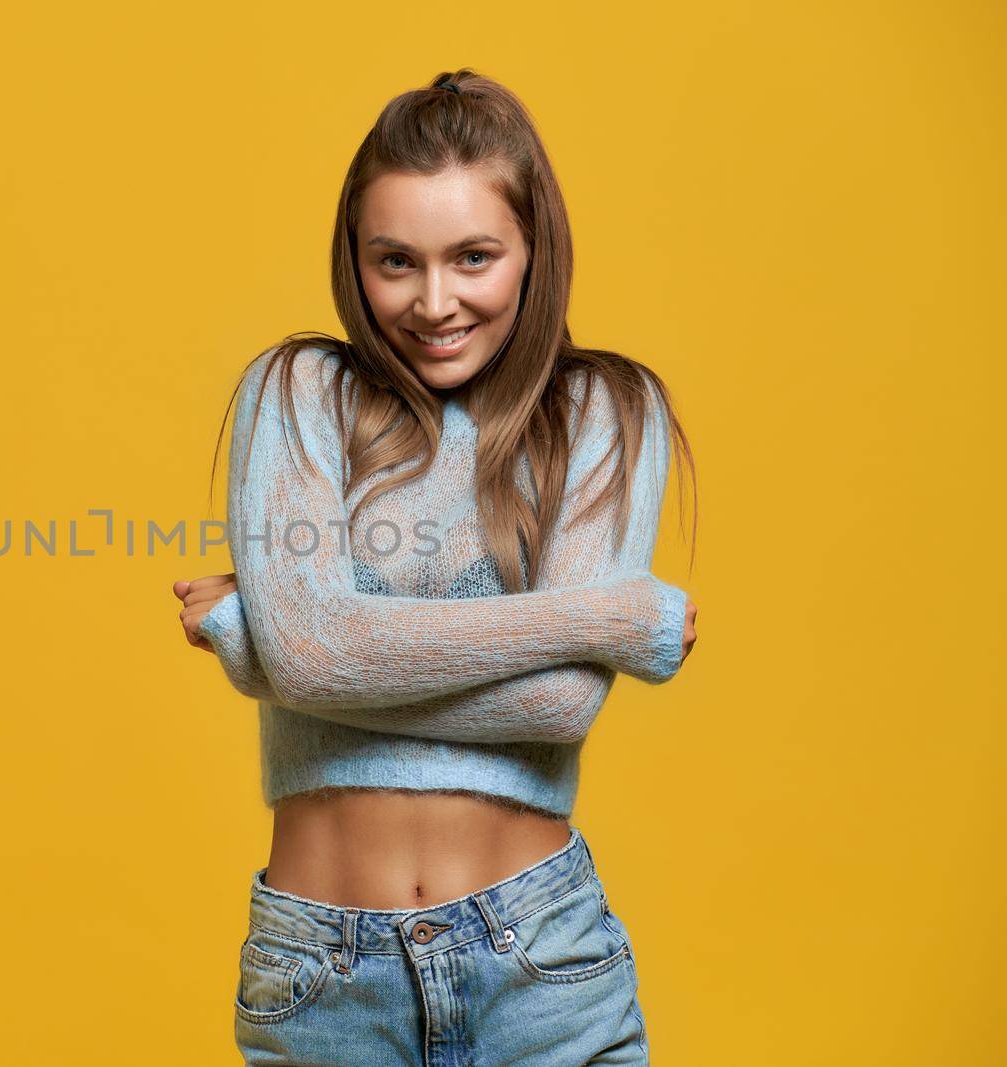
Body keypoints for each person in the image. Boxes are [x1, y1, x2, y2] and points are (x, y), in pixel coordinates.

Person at [173, 69, 699, 1065]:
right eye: (394, 261)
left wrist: (264, 646)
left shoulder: (600, 414)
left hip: (542, 964)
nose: (432, 300)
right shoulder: (297, 393)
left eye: (473, 257)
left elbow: (550, 711)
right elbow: (324, 657)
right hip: (322, 976)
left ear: (532, 252)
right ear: (354, 260)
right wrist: (603, 619)